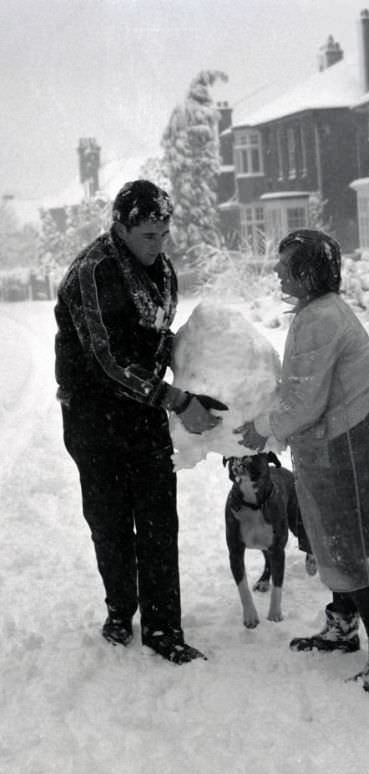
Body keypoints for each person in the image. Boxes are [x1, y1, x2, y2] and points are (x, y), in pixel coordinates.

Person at [54, 180, 226, 664]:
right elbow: (107, 359)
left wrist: (199, 365)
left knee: (157, 522)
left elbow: (154, 335)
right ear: (123, 227)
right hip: (94, 417)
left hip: (143, 412)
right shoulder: (91, 273)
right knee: (110, 522)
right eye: (150, 234)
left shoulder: (161, 269)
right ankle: (119, 610)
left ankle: (163, 628)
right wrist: (176, 399)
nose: (160, 243)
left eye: (165, 233)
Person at [235, 229, 369, 692]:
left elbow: (305, 401)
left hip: (351, 445)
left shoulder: (319, 318)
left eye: (285, 264)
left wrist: (263, 429)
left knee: (349, 541)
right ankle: (342, 624)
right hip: (340, 439)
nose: (276, 271)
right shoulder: (318, 311)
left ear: (308, 271)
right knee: (333, 535)